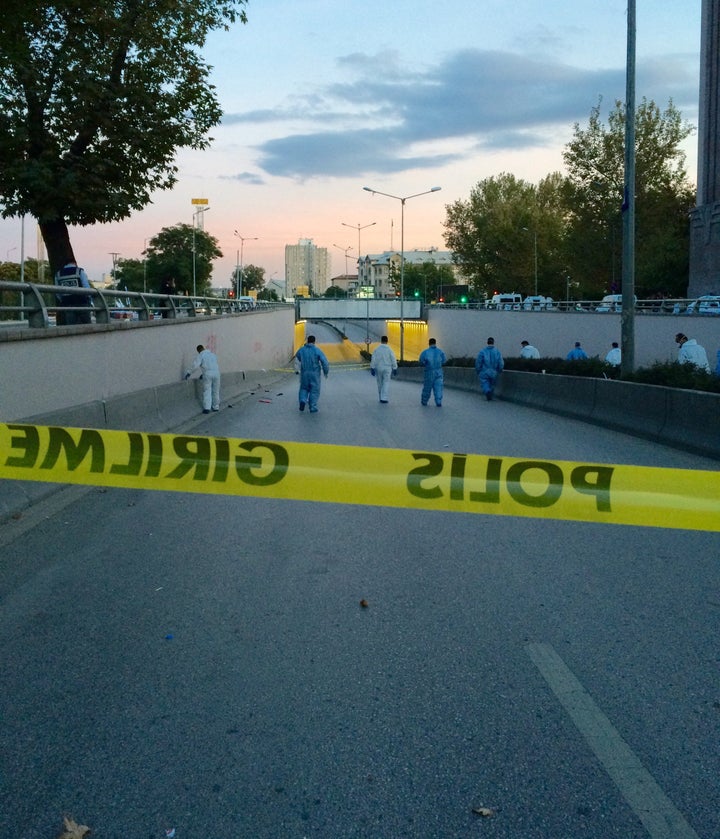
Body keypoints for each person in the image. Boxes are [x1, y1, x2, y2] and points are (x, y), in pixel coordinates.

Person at [294, 334, 329, 412]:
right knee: (314, 390)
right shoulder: (317, 350)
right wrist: (326, 372)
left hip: (304, 374)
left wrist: (297, 370)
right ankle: (312, 407)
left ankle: (302, 400)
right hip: (315, 374)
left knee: (303, 388)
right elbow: (324, 362)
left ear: (307, 341)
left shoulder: (301, 350)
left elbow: (296, 360)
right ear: (314, 341)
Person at [54, 260, 92, 325]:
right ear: (75, 263)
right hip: (82, 302)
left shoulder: (58, 274)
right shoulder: (79, 271)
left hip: (67, 304)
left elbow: (57, 292)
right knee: (86, 325)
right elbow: (86, 288)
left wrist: (62, 299)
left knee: (71, 325)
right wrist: (89, 299)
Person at [184, 344, 221, 413]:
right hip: (217, 373)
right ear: (203, 348)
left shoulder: (201, 355)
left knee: (207, 390)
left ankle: (207, 408)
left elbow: (195, 365)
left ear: (198, 350)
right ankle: (216, 406)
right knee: (216, 390)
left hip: (207, 374)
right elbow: (212, 365)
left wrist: (189, 373)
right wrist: (203, 373)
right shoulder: (212, 354)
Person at [419, 337, 446, 407]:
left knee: (427, 387)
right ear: (435, 343)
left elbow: (421, 361)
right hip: (439, 371)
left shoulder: (425, 352)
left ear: (429, 343)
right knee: (438, 387)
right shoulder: (440, 352)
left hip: (429, 372)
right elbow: (444, 360)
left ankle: (424, 401)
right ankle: (438, 401)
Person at [370, 335, 398, 403]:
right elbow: (393, 359)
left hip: (379, 367)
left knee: (379, 383)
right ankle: (384, 398)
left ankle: (380, 397)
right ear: (387, 341)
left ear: (381, 341)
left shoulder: (376, 349)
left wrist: (372, 367)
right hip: (388, 368)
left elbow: (373, 359)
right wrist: (395, 368)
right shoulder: (390, 350)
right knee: (386, 382)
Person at [475, 337, 504, 401]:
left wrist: (478, 370)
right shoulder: (497, 352)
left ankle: (487, 391)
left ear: (487, 342)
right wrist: (500, 369)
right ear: (493, 342)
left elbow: (478, 362)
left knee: (484, 383)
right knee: (492, 384)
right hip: (494, 372)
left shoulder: (482, 351)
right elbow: (501, 362)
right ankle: (490, 394)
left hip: (484, 371)